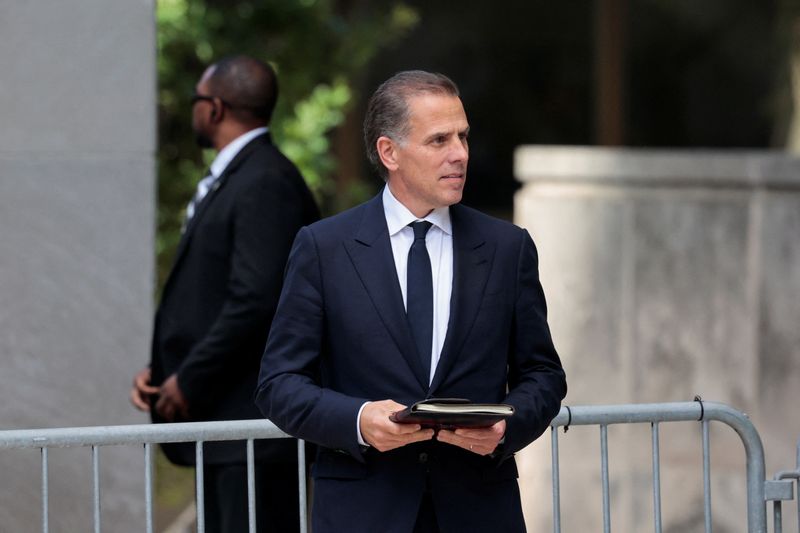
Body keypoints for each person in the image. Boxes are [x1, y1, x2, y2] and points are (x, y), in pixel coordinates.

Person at [255, 70, 567, 533]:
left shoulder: (507, 248)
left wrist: (507, 428)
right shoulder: (324, 248)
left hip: (479, 511)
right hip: (362, 512)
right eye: (439, 140)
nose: (460, 154)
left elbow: (543, 374)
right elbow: (278, 383)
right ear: (389, 152)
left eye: (463, 136)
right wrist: (359, 421)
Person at [130, 55, 319, 532]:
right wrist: (166, 371)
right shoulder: (241, 177)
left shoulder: (266, 181)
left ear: (214, 108)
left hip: (252, 431)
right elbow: (213, 295)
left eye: (196, 100)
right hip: (225, 430)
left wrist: (189, 378)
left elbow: (256, 298)